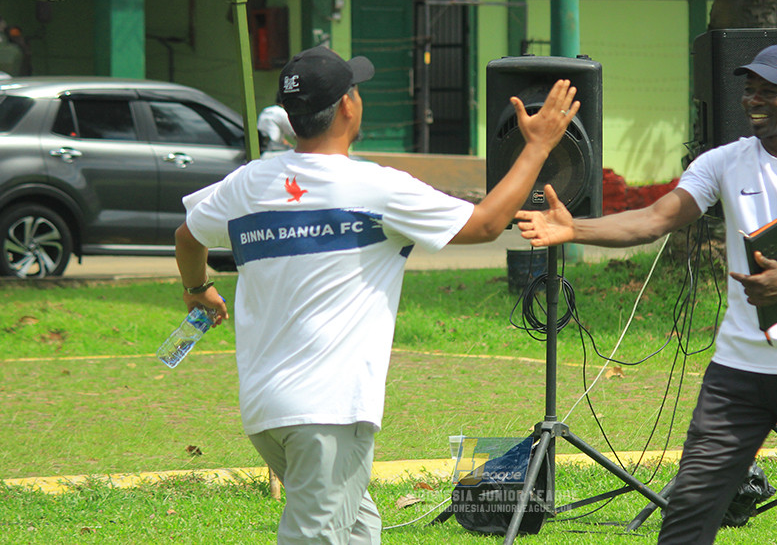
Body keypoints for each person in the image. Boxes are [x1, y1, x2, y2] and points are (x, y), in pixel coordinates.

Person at [173, 45, 579, 545]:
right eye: (356, 89)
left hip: (266, 413)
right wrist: (537, 146)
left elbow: (187, 236)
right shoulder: (375, 188)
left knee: (360, 527)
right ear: (348, 106)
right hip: (328, 412)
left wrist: (198, 290)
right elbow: (487, 224)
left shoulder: (246, 184)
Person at [516, 45, 777, 544]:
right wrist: (574, 228)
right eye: (749, 88)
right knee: (690, 503)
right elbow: (654, 220)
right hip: (738, 372)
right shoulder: (725, 162)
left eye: (769, 91)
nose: (754, 99)